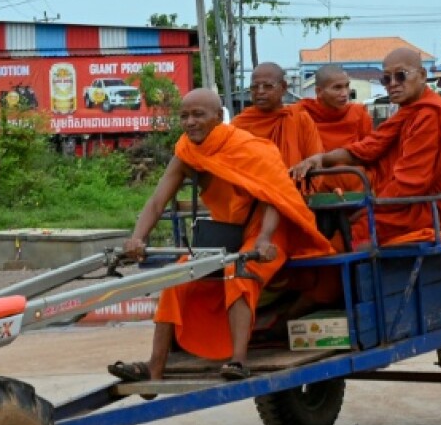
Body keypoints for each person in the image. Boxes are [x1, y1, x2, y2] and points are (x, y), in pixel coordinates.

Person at [108, 89, 332, 383]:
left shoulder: (251, 147)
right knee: (176, 278)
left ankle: (238, 360)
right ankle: (155, 367)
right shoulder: (187, 151)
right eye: (185, 116)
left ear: (218, 117)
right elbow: (157, 201)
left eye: (198, 115)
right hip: (227, 233)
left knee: (239, 273)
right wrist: (137, 238)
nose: (190, 122)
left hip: (269, 229)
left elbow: (274, 197)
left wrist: (264, 239)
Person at [291, 48, 441, 246]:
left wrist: (369, 208)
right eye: (386, 79)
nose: (393, 85)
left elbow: (411, 183)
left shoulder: (431, 115)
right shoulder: (408, 112)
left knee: (345, 239)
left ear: (422, 75)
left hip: (430, 209)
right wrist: (320, 159)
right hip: (402, 203)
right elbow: (368, 148)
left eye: (400, 76)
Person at [294, 64, 373, 192]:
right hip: (315, 190)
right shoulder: (302, 114)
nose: (345, 93)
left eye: (347, 86)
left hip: (358, 189)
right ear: (319, 92)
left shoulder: (359, 114)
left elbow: (370, 153)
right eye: (337, 88)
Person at [233, 62, 324, 167]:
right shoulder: (240, 124)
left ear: (284, 88)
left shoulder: (300, 119)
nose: (260, 91)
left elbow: (316, 162)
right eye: (254, 87)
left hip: (292, 182)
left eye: (268, 86)